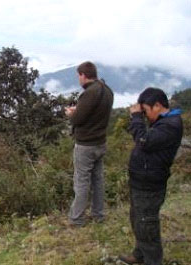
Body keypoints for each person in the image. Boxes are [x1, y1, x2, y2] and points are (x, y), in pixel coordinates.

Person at [119, 88, 183, 265]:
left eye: (146, 110)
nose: (145, 115)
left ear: (158, 105)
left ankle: (153, 261)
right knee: (138, 220)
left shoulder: (171, 125)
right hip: (141, 181)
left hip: (150, 184)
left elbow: (143, 141)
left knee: (147, 224)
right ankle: (140, 254)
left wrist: (136, 118)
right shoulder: (163, 122)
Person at [65, 61, 114, 226]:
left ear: (83, 75)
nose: (78, 79)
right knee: (98, 180)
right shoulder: (107, 91)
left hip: (86, 145)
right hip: (100, 142)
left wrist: (72, 114)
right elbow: (96, 115)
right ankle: (98, 214)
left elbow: (78, 119)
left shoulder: (89, 93)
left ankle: (77, 218)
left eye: (79, 76)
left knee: (82, 181)